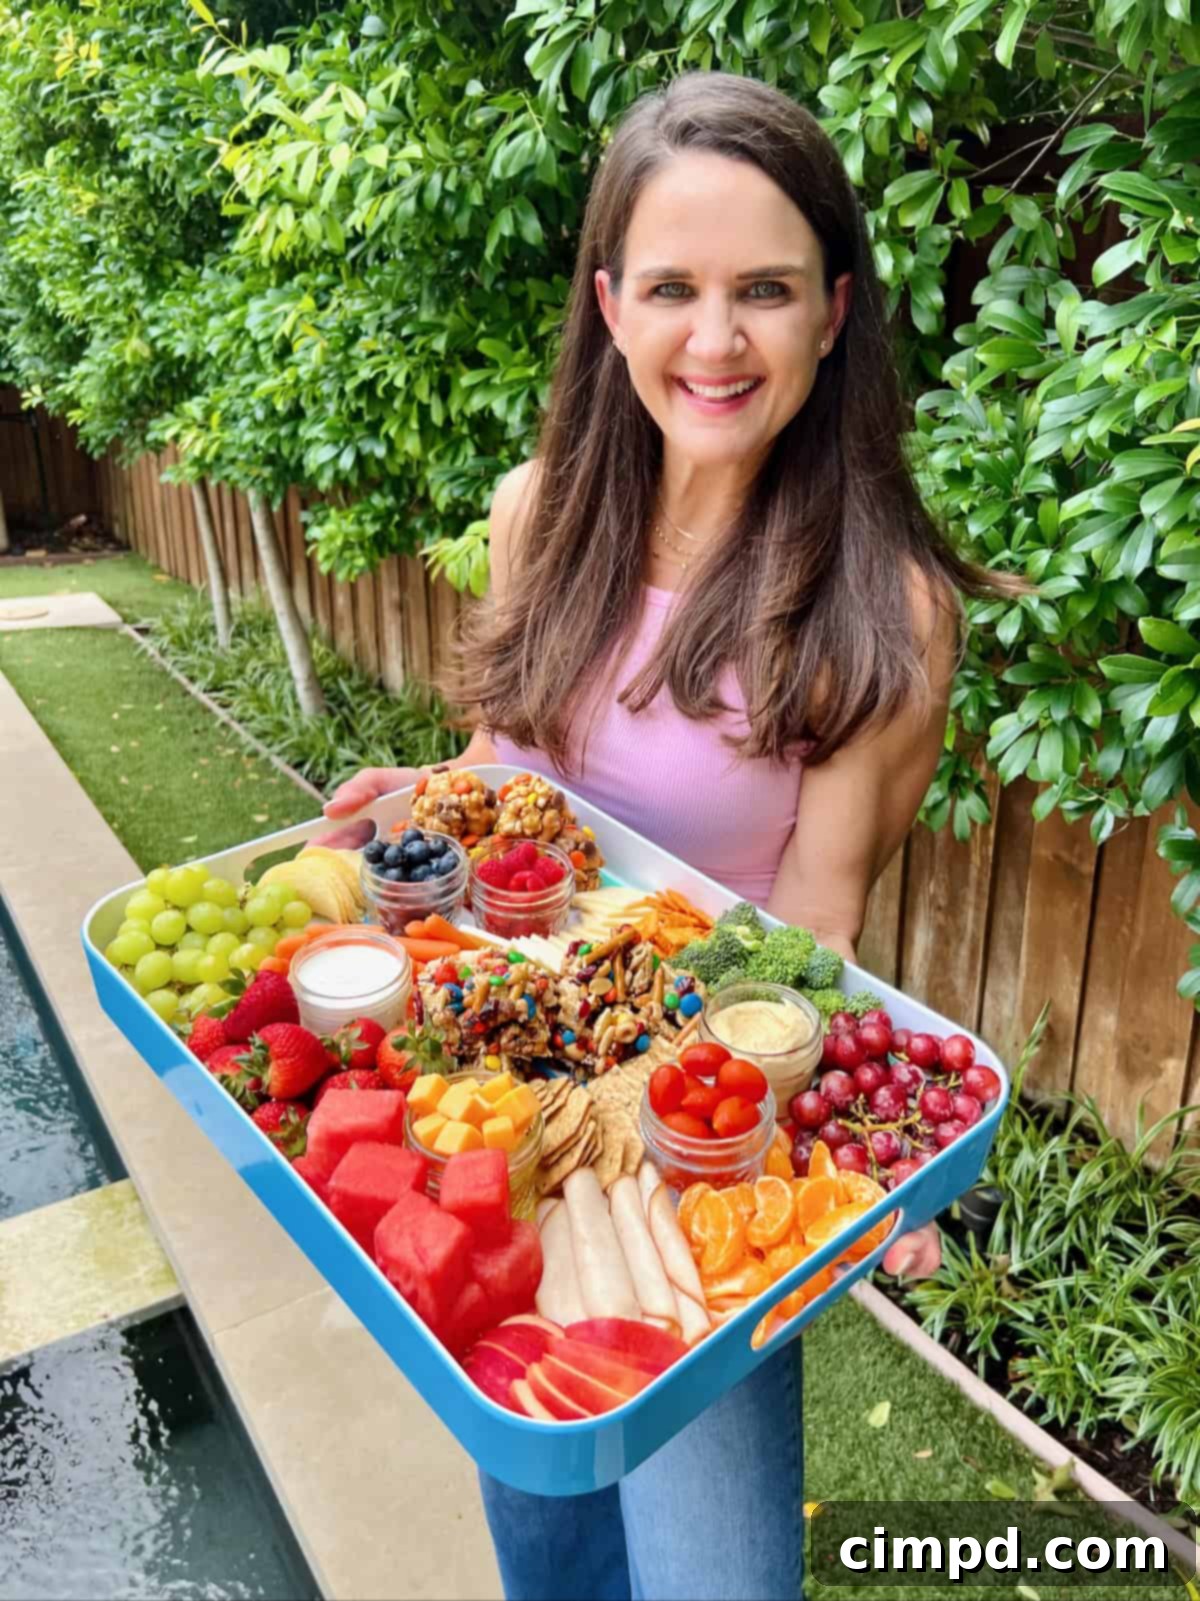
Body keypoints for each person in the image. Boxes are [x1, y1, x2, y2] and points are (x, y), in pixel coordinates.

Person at [323, 70, 987, 1601]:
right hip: (495, 1117)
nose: (715, 338)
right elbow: (513, 773)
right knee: (547, 1546)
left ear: (835, 312)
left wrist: (841, 1163)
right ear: (610, 306)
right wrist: (421, 805)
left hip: (694, 1147)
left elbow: (809, 939)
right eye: (675, 288)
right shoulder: (534, 510)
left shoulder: (884, 612)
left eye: (765, 288)